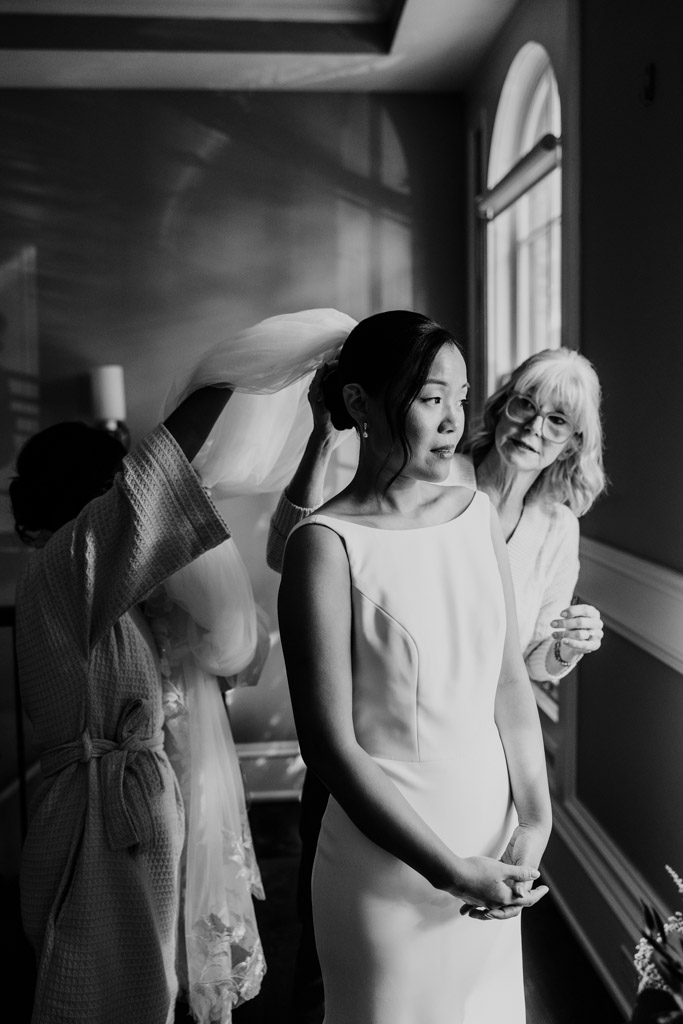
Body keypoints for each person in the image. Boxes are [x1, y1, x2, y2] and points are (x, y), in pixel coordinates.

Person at [268, 343, 607, 1023]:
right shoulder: (428, 469)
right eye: (523, 404)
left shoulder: (555, 528)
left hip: (480, 777)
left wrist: (565, 650)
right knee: (331, 969)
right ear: (500, 401)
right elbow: (293, 549)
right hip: (372, 755)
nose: (532, 427)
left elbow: (519, 666)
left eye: (556, 421)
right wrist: (319, 437)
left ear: (574, 442)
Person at [10, 383, 248, 1024]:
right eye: (111, 483)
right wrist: (231, 379)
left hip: (122, 814)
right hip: (99, 822)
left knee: (135, 988)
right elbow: (156, 478)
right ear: (90, 496)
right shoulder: (65, 567)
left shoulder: (99, 594)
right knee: (102, 992)